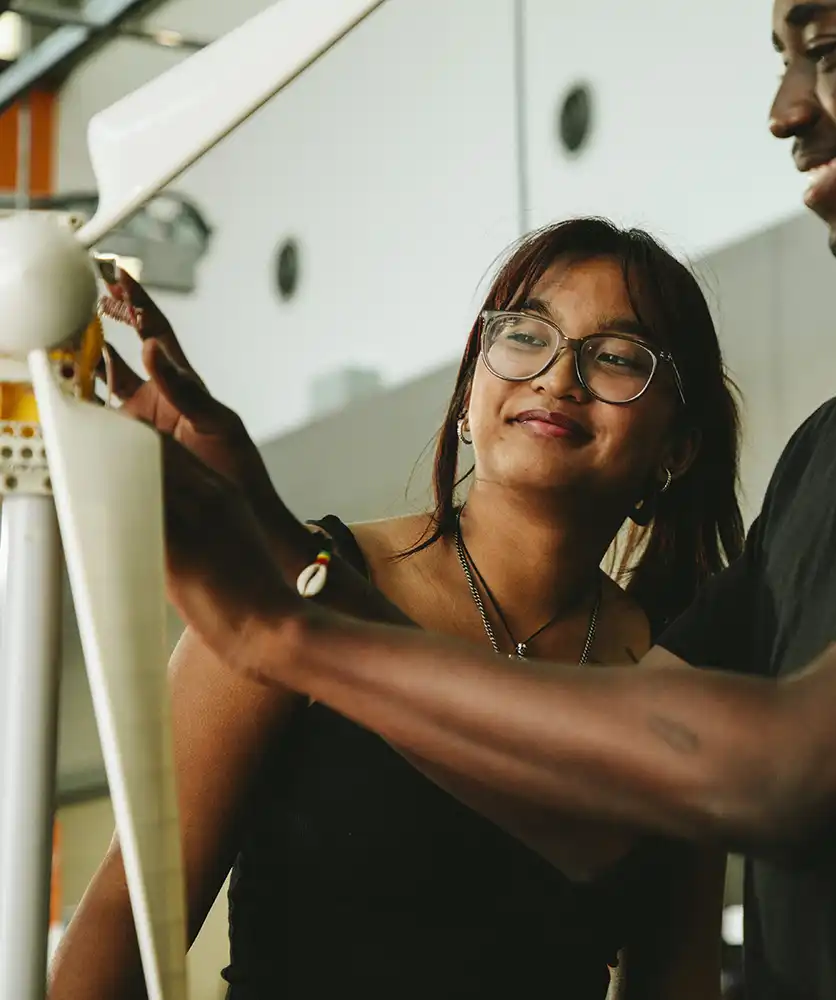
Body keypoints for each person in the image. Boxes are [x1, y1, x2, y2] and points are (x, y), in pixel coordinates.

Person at [146, 1, 836, 999]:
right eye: (526, 337)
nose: (781, 110)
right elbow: (597, 816)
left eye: (825, 45)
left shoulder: (658, 614)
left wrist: (291, 631)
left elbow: (789, 766)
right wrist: (284, 554)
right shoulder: (831, 446)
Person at [49, 218, 746, 999]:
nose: (558, 376)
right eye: (525, 335)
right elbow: (124, 921)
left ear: (677, 449)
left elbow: (676, 977)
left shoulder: (675, 662)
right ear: (467, 394)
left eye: (617, 357)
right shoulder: (299, 581)